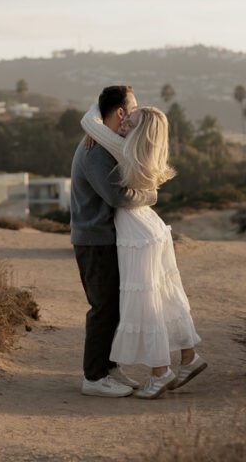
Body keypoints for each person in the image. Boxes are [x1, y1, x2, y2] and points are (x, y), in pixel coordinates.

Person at [79, 98, 206, 400]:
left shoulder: (126, 150)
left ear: (140, 134)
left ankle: (159, 372)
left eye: (131, 122)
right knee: (165, 294)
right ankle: (189, 357)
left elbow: (88, 120)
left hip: (135, 231)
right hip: (151, 226)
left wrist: (96, 131)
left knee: (145, 301)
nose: (124, 123)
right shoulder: (144, 152)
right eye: (126, 116)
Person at [70, 85, 157, 397]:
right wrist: (152, 194)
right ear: (120, 112)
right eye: (131, 109)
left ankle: (108, 367)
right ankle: (93, 378)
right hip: (94, 241)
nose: (134, 114)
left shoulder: (103, 141)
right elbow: (117, 196)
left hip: (104, 238)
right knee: (103, 307)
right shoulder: (94, 151)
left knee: (115, 306)